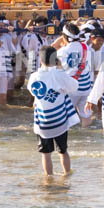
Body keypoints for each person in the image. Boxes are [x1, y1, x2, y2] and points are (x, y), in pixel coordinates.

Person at [26, 46, 80, 175]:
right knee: (63, 151)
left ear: (41, 59)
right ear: (56, 59)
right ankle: (67, 175)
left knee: (46, 154)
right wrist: (61, 69)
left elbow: (33, 91)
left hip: (43, 122)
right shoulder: (58, 74)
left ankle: (49, 180)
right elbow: (73, 87)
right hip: (59, 120)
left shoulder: (34, 77)